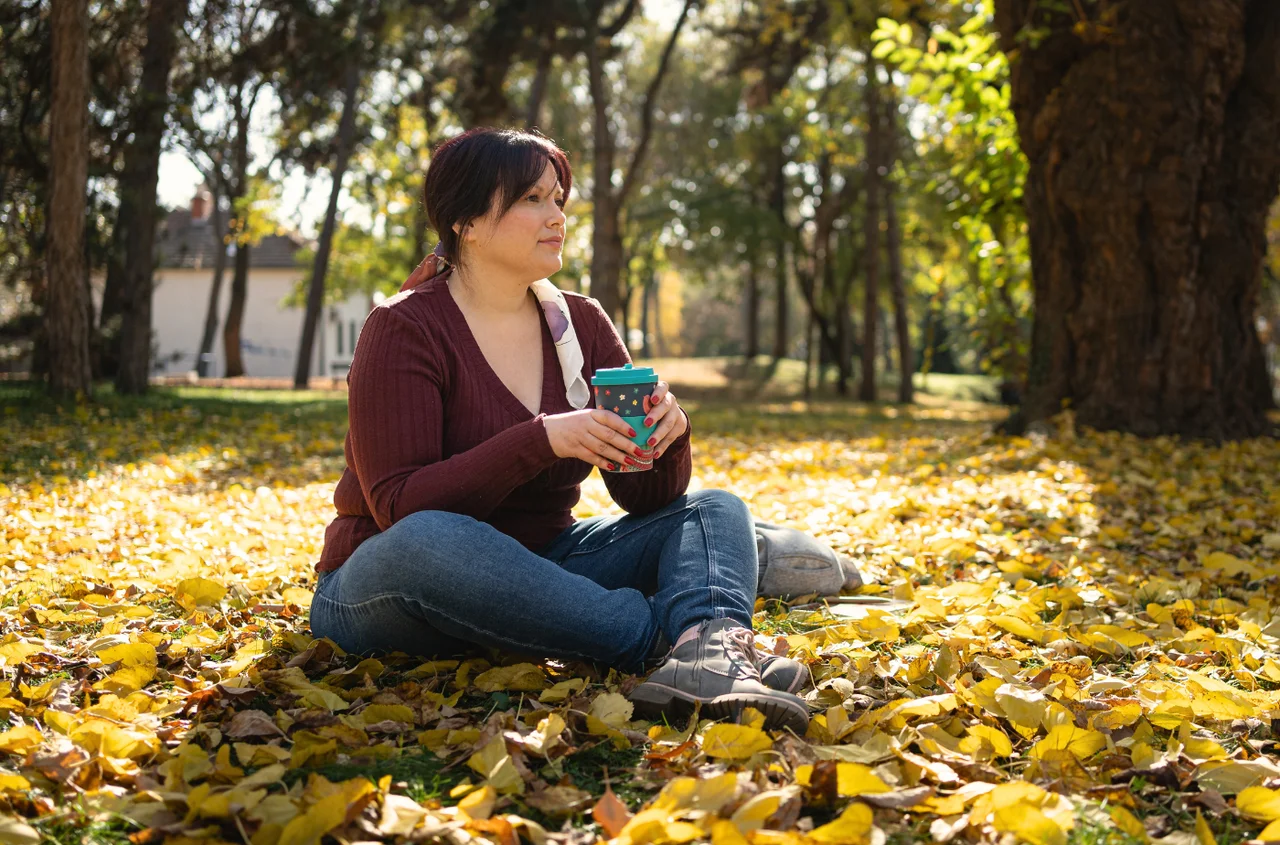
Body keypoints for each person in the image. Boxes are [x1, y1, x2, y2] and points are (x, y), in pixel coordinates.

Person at [309, 127, 809, 733]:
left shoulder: (579, 322)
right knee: (430, 539)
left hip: (546, 565)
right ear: (465, 219)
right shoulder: (404, 327)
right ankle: (675, 641)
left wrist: (665, 438)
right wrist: (540, 439)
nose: (557, 218)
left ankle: (709, 647)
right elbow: (401, 508)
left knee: (712, 510)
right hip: (388, 582)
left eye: (558, 200)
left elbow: (643, 498)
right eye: (531, 200)